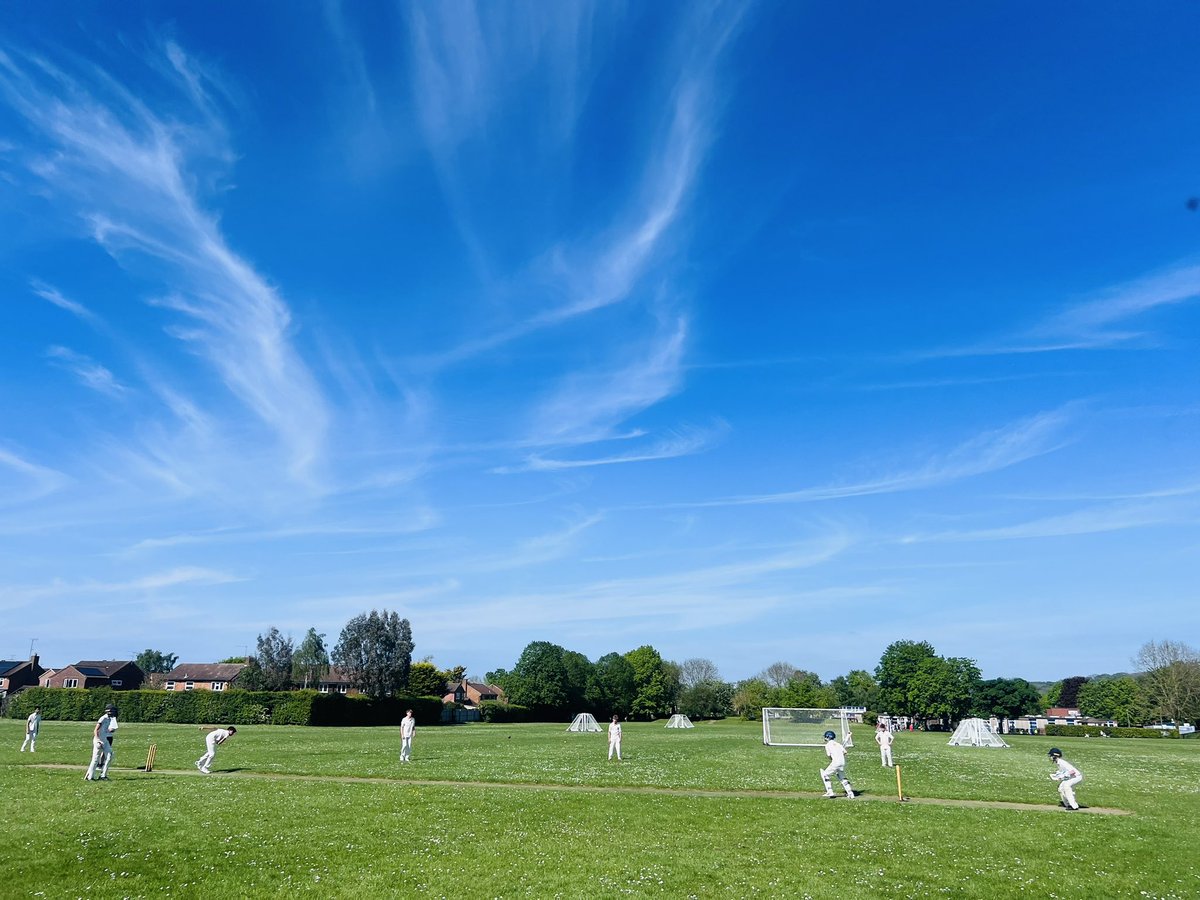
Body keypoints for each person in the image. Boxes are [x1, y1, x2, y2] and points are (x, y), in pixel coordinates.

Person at [85, 705, 118, 781]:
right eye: (112, 711)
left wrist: (109, 730)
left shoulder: (110, 719)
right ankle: (90, 777)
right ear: (108, 711)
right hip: (98, 740)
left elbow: (104, 730)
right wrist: (97, 740)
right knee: (95, 759)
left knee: (110, 755)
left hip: (105, 740)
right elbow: (96, 730)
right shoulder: (103, 718)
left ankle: (103, 775)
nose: (114, 713)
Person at [820, 729, 855, 798]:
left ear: (828, 737)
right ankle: (850, 793)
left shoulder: (827, 745)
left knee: (824, 774)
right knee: (842, 777)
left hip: (836, 762)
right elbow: (845, 752)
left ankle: (830, 792)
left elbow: (829, 756)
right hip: (842, 762)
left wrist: (834, 760)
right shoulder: (838, 744)